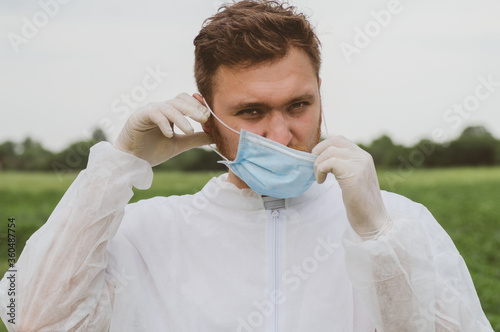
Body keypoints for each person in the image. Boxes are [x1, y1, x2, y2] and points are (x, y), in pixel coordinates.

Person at [0, 1, 494, 331]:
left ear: (322, 97)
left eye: (298, 105)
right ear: (207, 116)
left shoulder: (401, 223)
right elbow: (29, 316)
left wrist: (378, 235)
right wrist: (118, 164)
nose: (280, 135)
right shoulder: (146, 233)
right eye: (251, 112)